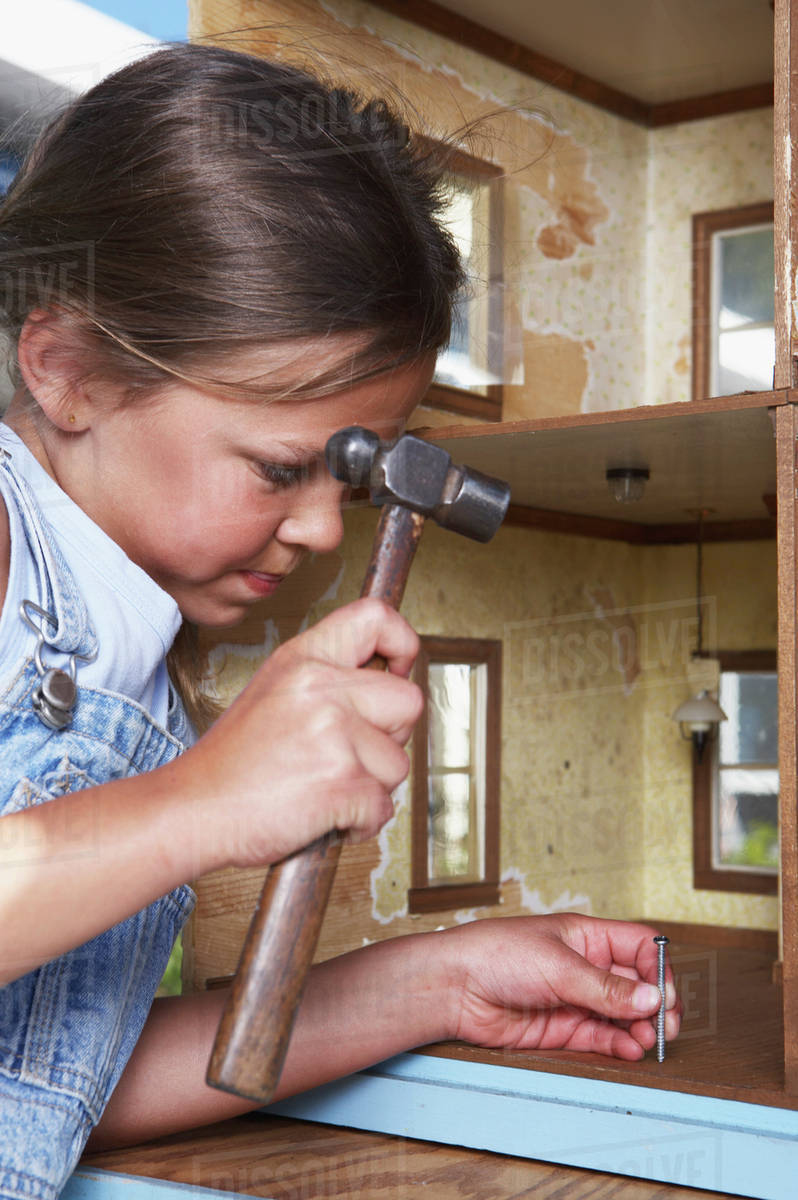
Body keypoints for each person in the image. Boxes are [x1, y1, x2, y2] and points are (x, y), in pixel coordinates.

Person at [0, 42, 678, 1196]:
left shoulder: (144, 676)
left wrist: (432, 983)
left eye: (349, 477)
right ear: (68, 372)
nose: (323, 530)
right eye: (277, 469)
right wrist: (202, 805)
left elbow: (54, 1083)